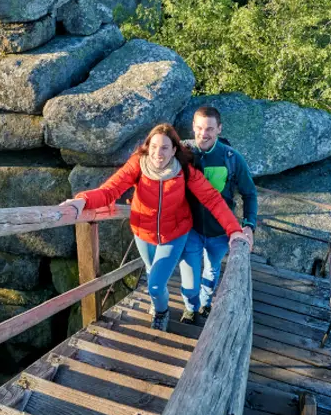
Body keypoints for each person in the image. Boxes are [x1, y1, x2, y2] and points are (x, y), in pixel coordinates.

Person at [60, 123, 252, 332]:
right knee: (152, 271)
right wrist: (82, 201)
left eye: (164, 148)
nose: (157, 153)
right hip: (143, 234)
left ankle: (162, 312)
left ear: (174, 150)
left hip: (174, 235)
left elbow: (213, 199)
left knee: (155, 284)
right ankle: (158, 301)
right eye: (153, 147)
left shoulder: (184, 171)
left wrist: (234, 230)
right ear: (147, 146)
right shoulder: (138, 165)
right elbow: (110, 190)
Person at [178, 106, 258, 323]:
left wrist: (249, 224)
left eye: (210, 129)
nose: (204, 134)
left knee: (212, 271)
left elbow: (249, 193)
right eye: (200, 128)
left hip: (220, 231)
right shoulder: (183, 152)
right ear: (193, 127)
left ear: (219, 129)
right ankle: (190, 307)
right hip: (191, 228)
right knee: (189, 275)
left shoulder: (231, 158)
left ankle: (204, 304)